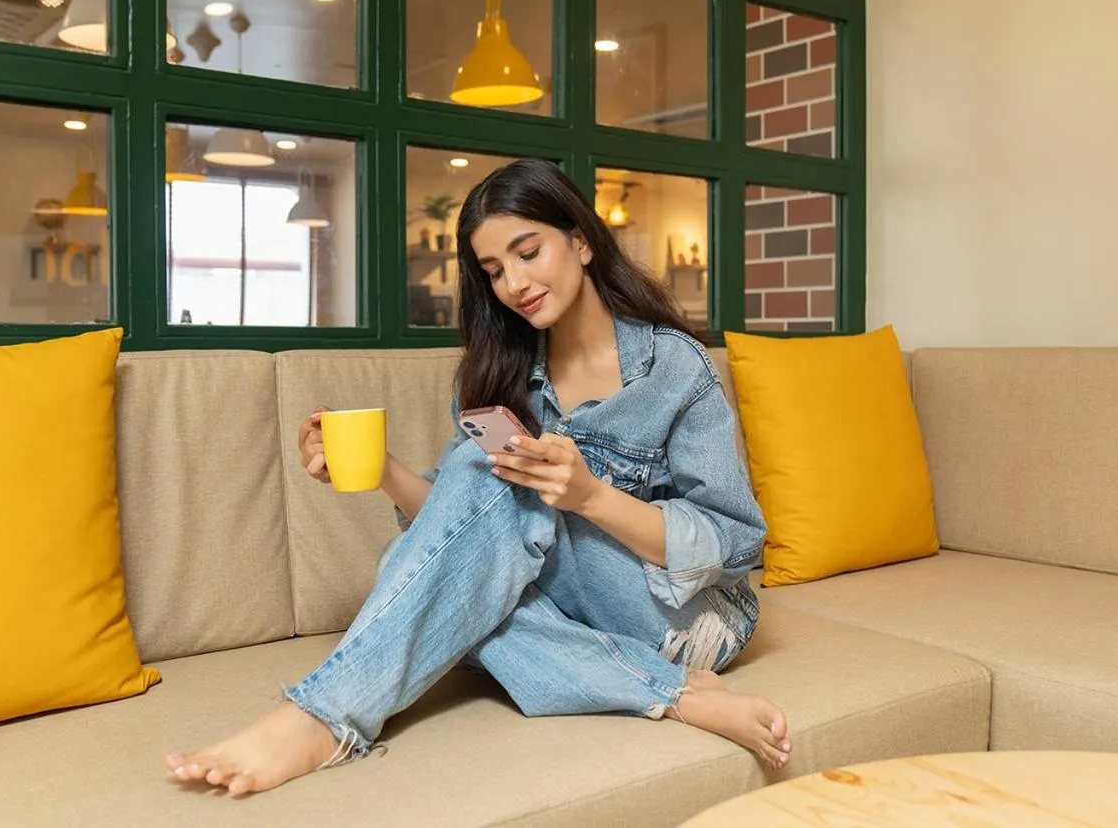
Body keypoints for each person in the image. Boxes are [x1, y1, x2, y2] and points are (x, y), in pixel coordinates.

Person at [165, 159, 791, 797]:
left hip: (689, 618)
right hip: (579, 611)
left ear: (579, 239)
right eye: (494, 271)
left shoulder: (673, 368)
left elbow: (737, 542)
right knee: (444, 573)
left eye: (528, 252)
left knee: (454, 532)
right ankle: (675, 695)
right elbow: (465, 529)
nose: (514, 283)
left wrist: (592, 498)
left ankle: (321, 717)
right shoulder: (494, 375)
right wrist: (378, 469)